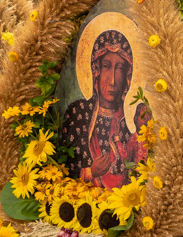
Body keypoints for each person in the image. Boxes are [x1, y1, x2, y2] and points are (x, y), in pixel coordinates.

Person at [61, 30, 147, 189]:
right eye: (106, 66)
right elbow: (63, 169)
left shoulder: (129, 125)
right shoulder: (77, 114)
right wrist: (90, 172)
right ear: (95, 71)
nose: (113, 80)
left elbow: (139, 172)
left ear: (128, 77)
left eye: (120, 68)